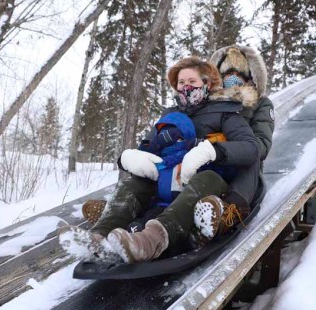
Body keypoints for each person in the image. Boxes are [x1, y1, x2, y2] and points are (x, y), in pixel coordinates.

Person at [87, 56, 261, 264]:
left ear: (207, 84)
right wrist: (134, 158)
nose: (186, 87)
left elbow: (251, 147)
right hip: (168, 176)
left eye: (192, 82)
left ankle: (152, 240)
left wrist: (212, 151)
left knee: (206, 178)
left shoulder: (226, 111)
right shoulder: (169, 115)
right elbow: (149, 146)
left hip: (209, 180)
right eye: (181, 83)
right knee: (135, 182)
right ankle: (99, 236)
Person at [193, 45, 275, 240]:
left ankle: (229, 212)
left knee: (251, 155)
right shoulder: (209, 103)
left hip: (243, 169)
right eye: (227, 73)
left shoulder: (260, 104)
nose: (233, 78)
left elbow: (261, 145)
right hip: (210, 163)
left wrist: (223, 149)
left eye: (238, 73)